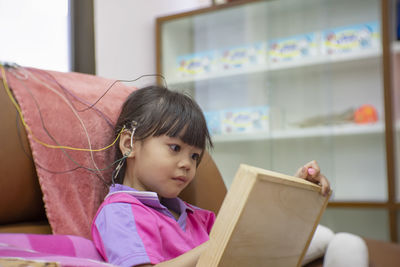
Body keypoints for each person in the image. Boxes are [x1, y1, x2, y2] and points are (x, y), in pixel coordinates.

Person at [91, 85, 331, 267]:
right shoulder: (119, 212)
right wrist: (215, 247)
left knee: (331, 240)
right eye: (175, 148)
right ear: (129, 144)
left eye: (195, 156)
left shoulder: (198, 218)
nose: (187, 164)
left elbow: (258, 248)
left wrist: (298, 190)